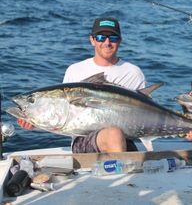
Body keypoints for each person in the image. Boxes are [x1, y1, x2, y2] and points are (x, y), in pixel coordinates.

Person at [18, 17, 146, 153]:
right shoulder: (75, 70)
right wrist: (36, 123)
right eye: (101, 37)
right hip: (83, 140)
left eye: (113, 38)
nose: (107, 42)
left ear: (120, 40)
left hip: (123, 139)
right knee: (114, 134)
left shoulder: (133, 73)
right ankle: (120, 173)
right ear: (92, 40)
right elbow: (64, 116)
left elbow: (145, 117)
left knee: (116, 136)